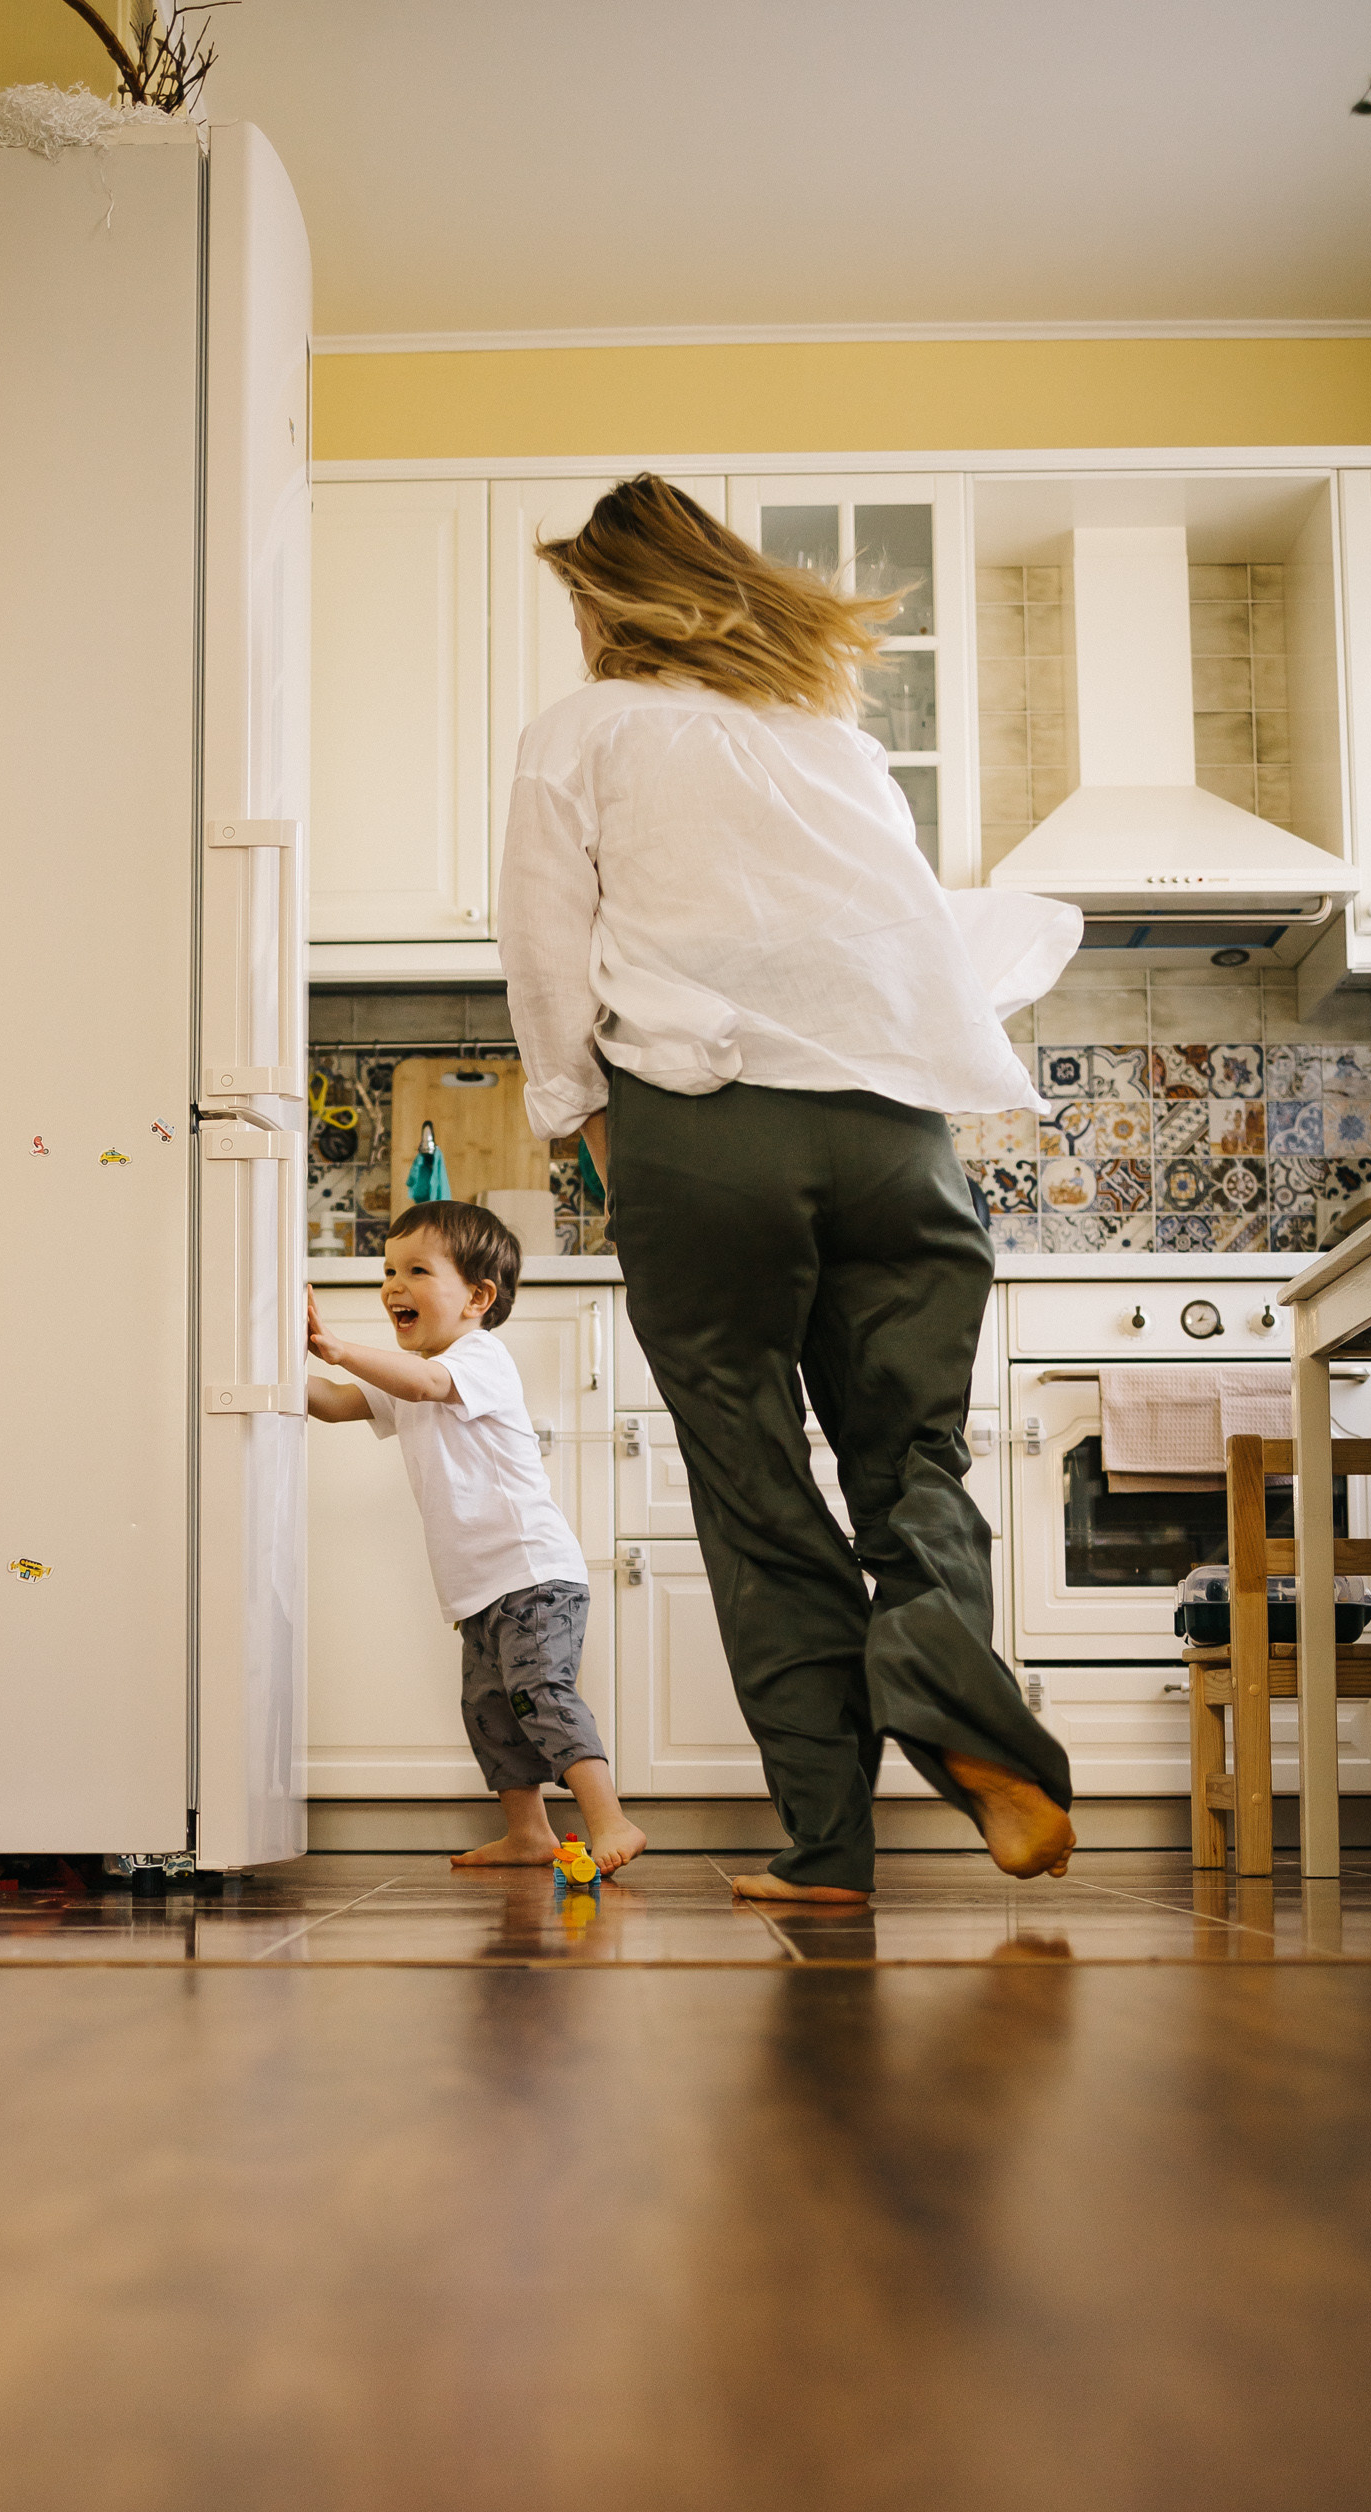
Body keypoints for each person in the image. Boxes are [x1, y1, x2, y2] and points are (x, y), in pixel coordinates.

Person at [497, 475, 1081, 1907]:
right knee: (914, 1464)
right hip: (902, 1140)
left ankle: (829, 1850)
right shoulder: (836, 745)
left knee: (758, 1489)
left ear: (609, 601)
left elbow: (546, 954)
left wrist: (587, 1127)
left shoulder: (586, 729)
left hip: (709, 1130)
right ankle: (965, 1720)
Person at [306, 1200, 646, 1876]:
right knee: (490, 1711)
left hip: (533, 1574)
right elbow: (336, 1403)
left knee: (541, 1694)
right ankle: (530, 1834)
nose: (393, 1286)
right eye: (388, 1271)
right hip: (479, 1590)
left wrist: (340, 1348)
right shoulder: (411, 1377)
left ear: (478, 1298)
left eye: (417, 1271)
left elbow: (430, 1384)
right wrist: (269, 1354)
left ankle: (611, 1819)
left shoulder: (477, 1357)